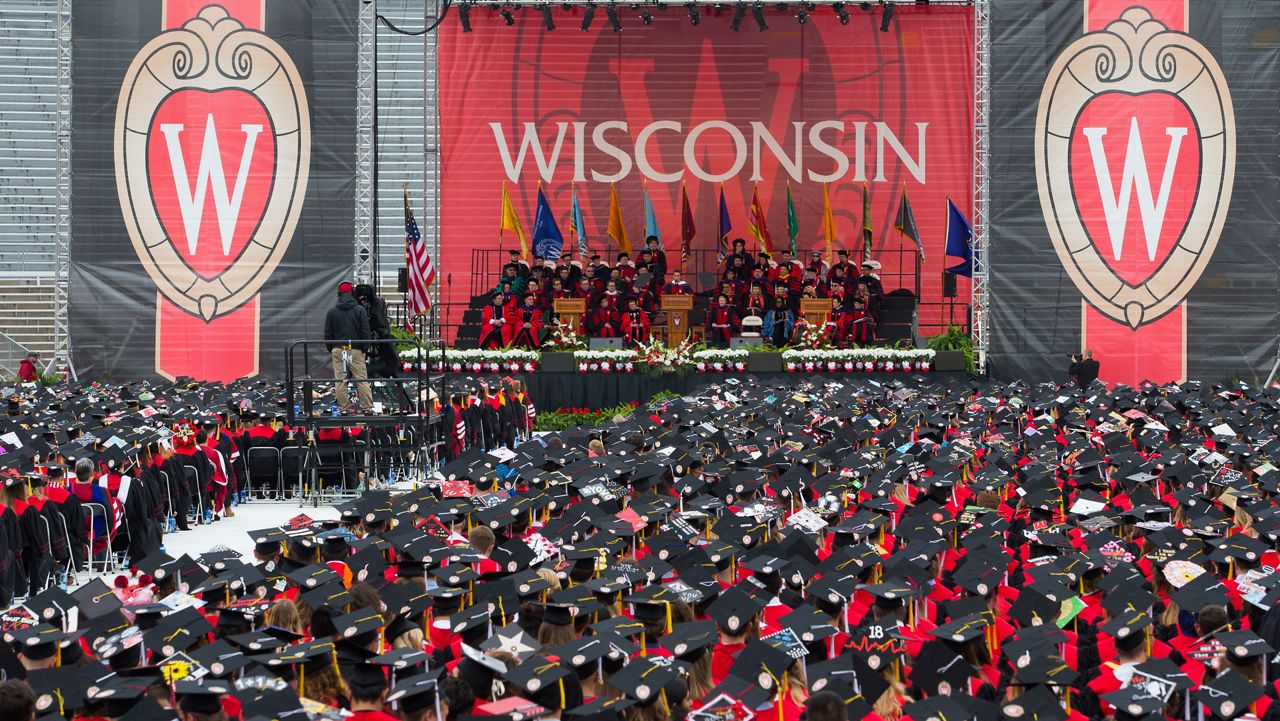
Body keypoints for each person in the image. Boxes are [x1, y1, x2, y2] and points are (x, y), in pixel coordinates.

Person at [324, 281, 374, 414]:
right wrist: (364, 349)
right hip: (356, 349)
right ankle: (367, 409)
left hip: (338, 349)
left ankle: (344, 409)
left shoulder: (332, 312)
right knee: (362, 379)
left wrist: (331, 348)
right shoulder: (360, 310)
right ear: (352, 293)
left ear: (338, 294)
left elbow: (328, 333)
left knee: (341, 381)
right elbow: (365, 332)